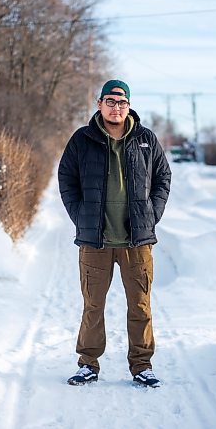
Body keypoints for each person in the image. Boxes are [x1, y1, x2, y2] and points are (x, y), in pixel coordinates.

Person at [58, 79, 171, 388]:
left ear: (128, 106)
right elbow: (66, 177)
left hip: (137, 241)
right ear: (99, 104)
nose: (116, 107)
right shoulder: (82, 139)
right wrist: (80, 215)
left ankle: (142, 365)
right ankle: (88, 364)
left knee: (140, 305)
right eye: (110, 101)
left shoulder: (146, 139)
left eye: (122, 102)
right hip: (96, 240)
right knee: (93, 305)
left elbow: (163, 176)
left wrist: (152, 213)